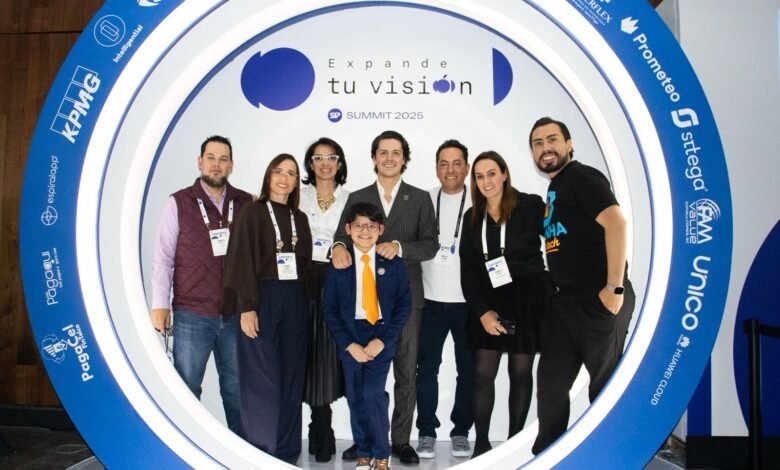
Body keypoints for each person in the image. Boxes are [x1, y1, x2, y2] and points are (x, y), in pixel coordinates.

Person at [528, 117, 636, 455]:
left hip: (597, 297)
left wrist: (614, 287)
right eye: (537, 143)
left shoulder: (582, 178)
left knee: (603, 388)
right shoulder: (555, 189)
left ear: (569, 144)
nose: (545, 148)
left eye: (552, 139)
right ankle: (548, 456)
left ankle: (609, 457)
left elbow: (616, 224)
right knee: (550, 383)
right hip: (565, 303)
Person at [331, 130, 438, 464]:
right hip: (362, 305)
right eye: (383, 152)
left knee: (406, 373)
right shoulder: (358, 195)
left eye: (396, 152)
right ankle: (366, 441)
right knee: (362, 379)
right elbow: (340, 236)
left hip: (405, 301)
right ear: (374, 157)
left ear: (404, 158)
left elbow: (430, 244)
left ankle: (400, 440)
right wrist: (337, 248)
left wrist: (400, 247)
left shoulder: (419, 198)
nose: (389, 158)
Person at [150, 135, 252, 434]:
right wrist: (159, 304)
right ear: (200, 162)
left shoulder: (245, 203)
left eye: (223, 159)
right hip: (191, 313)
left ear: (231, 165)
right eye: (211, 158)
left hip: (234, 314)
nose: (216, 165)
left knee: (237, 389)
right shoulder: (178, 202)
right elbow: (163, 257)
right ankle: (184, 446)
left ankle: (240, 449)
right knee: (186, 387)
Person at [222, 154, 312, 464]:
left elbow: (306, 266)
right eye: (278, 171)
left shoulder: (300, 218)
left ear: (297, 181)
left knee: (291, 380)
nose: (284, 178)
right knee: (262, 380)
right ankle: (261, 454)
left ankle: (286, 454)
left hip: (295, 301)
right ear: (268, 176)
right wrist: (247, 307)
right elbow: (240, 259)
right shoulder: (253, 211)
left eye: (291, 173)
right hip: (260, 298)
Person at [459, 151, 549, 458]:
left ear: (504, 174)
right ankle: (482, 445)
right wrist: (483, 312)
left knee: (520, 372)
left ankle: (514, 444)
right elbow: (468, 271)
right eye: (479, 176)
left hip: (527, 297)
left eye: (491, 174)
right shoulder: (472, 217)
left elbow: (558, 238)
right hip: (488, 298)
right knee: (482, 373)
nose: (486, 182)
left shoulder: (530, 205)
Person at [323, 202, 412, 470]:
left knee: (373, 393)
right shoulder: (339, 263)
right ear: (348, 229)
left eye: (371, 226)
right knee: (355, 397)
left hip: (381, 335)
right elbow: (330, 309)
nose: (365, 231)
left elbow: (404, 305)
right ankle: (363, 450)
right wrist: (349, 344)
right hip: (350, 337)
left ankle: (381, 453)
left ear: (381, 230)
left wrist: (383, 340)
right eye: (359, 225)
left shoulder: (393, 264)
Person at [415, 139, 474, 459]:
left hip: (469, 303)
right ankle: (426, 431)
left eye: (456, 163)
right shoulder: (424, 200)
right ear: (436, 168)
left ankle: (461, 431)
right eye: (444, 163)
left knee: (468, 370)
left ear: (466, 167)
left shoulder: (479, 200)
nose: (450, 170)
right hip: (430, 301)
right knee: (427, 369)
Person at [299, 137, 350, 462]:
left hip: (336, 282)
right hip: (300, 282)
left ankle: (323, 424)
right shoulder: (298, 195)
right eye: (318, 158)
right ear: (310, 164)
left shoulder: (351, 198)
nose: (325, 163)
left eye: (331, 157)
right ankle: (313, 426)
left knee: (328, 357)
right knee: (304, 354)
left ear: (339, 163)